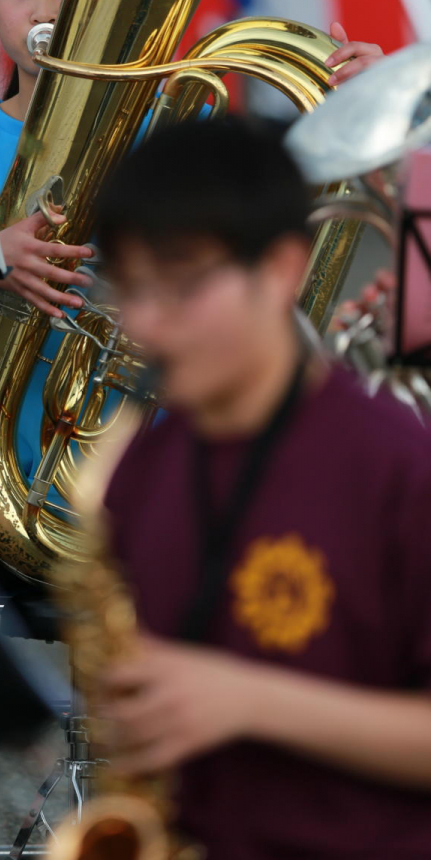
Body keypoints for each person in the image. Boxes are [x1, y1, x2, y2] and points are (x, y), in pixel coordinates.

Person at [0, 0, 385, 860]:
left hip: (165, 488)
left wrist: (367, 115)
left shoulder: (176, 135)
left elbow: (289, 244)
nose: (45, 5)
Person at [91, 116, 431, 860]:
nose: (145, 324)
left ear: (280, 270)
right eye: (130, 288)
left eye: (180, 286)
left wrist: (249, 701)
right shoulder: (142, 466)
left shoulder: (397, 467)